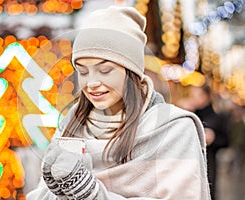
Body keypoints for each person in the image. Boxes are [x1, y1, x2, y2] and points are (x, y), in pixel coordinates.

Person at [27, 6, 211, 199]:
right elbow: (39, 194)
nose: (91, 83)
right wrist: (55, 192)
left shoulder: (174, 129)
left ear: (131, 72)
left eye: (105, 70)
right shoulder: (71, 125)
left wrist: (90, 193)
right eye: (82, 71)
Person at [187, 85, 230, 200]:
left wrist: (213, 138)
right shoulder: (188, 116)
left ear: (205, 97)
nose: (192, 98)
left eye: (194, 95)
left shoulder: (216, 117)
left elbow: (226, 141)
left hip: (209, 166)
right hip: (189, 166)